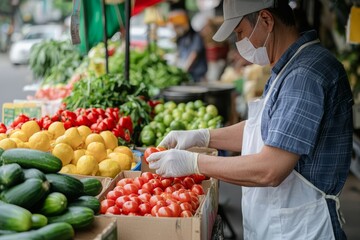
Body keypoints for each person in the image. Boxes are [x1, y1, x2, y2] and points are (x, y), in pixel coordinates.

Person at [147, 0, 353, 239]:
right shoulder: (289, 65)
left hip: (301, 227)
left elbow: (270, 169)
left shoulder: (304, 75)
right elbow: (265, 128)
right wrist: (204, 136)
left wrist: (195, 163)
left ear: (266, 20)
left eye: (240, 33)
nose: (238, 43)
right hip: (283, 220)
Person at [168, 9, 208, 83]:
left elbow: (193, 56)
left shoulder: (196, 36)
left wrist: (183, 71)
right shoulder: (181, 38)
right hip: (188, 77)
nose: (175, 30)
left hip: (198, 77)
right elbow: (178, 55)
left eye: (176, 27)